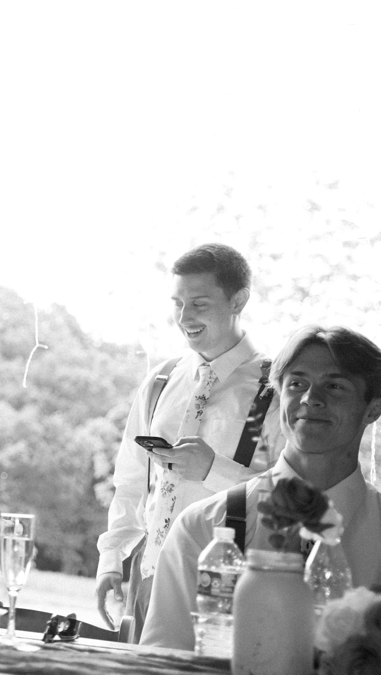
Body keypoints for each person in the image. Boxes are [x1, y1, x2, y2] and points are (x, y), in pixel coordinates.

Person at [141, 325, 381, 650]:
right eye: (297, 384)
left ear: (374, 408)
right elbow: (163, 666)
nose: (311, 399)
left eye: (335, 386)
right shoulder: (202, 529)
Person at [95, 243, 286, 638]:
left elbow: (291, 498)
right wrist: (111, 561)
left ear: (239, 300)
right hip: (148, 579)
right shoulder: (161, 381)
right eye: (178, 303)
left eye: (199, 303)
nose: (185, 317)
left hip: (227, 589)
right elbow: (132, 483)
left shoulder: (274, 389)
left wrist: (212, 471)